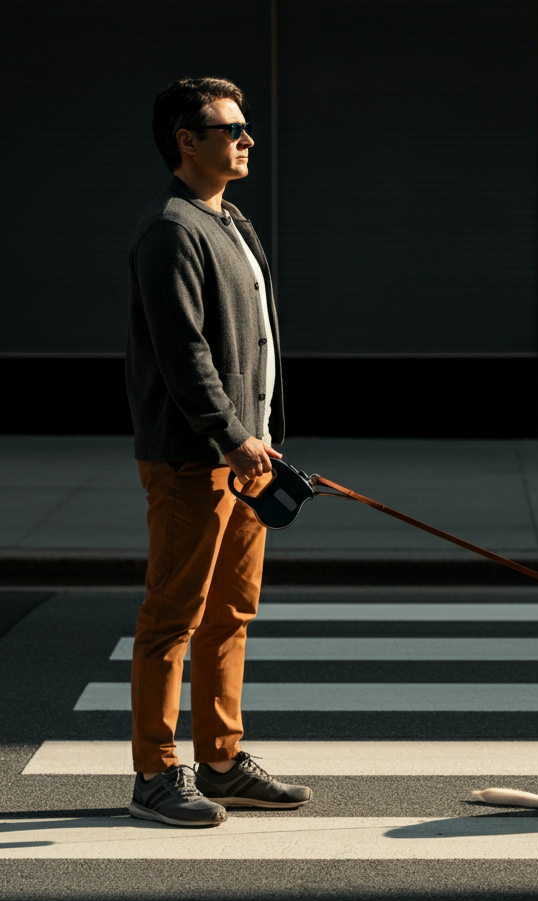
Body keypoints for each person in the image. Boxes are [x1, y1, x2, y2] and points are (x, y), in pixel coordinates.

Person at [124, 77, 311, 826]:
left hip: (247, 457)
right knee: (173, 615)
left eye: (244, 127)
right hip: (194, 458)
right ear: (186, 142)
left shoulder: (229, 220)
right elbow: (183, 353)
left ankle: (222, 761)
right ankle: (154, 775)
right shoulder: (171, 229)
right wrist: (231, 435)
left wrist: (260, 439)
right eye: (230, 128)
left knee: (230, 613)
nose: (247, 139)